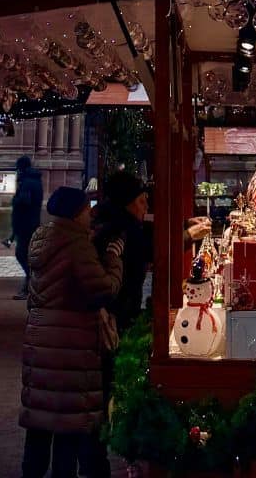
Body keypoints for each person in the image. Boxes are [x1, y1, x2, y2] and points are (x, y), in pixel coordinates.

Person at [20, 187, 122, 478]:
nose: (90, 215)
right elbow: (103, 289)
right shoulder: (77, 245)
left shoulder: (41, 238)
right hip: (71, 345)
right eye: (87, 209)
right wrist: (115, 261)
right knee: (67, 426)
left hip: (40, 340)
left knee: (39, 422)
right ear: (77, 213)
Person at [82, 172, 151, 478]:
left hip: (103, 320)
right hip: (112, 321)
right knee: (107, 389)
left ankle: (92, 460)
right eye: (140, 200)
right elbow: (113, 283)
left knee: (96, 392)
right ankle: (97, 461)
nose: (145, 206)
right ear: (127, 203)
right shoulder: (122, 234)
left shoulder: (103, 225)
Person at [10, 154, 43, 298]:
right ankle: (30, 283)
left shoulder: (27, 182)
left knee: (22, 254)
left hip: (26, 224)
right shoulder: (36, 181)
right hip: (31, 222)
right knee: (26, 253)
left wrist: (15, 200)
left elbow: (24, 201)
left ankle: (31, 284)